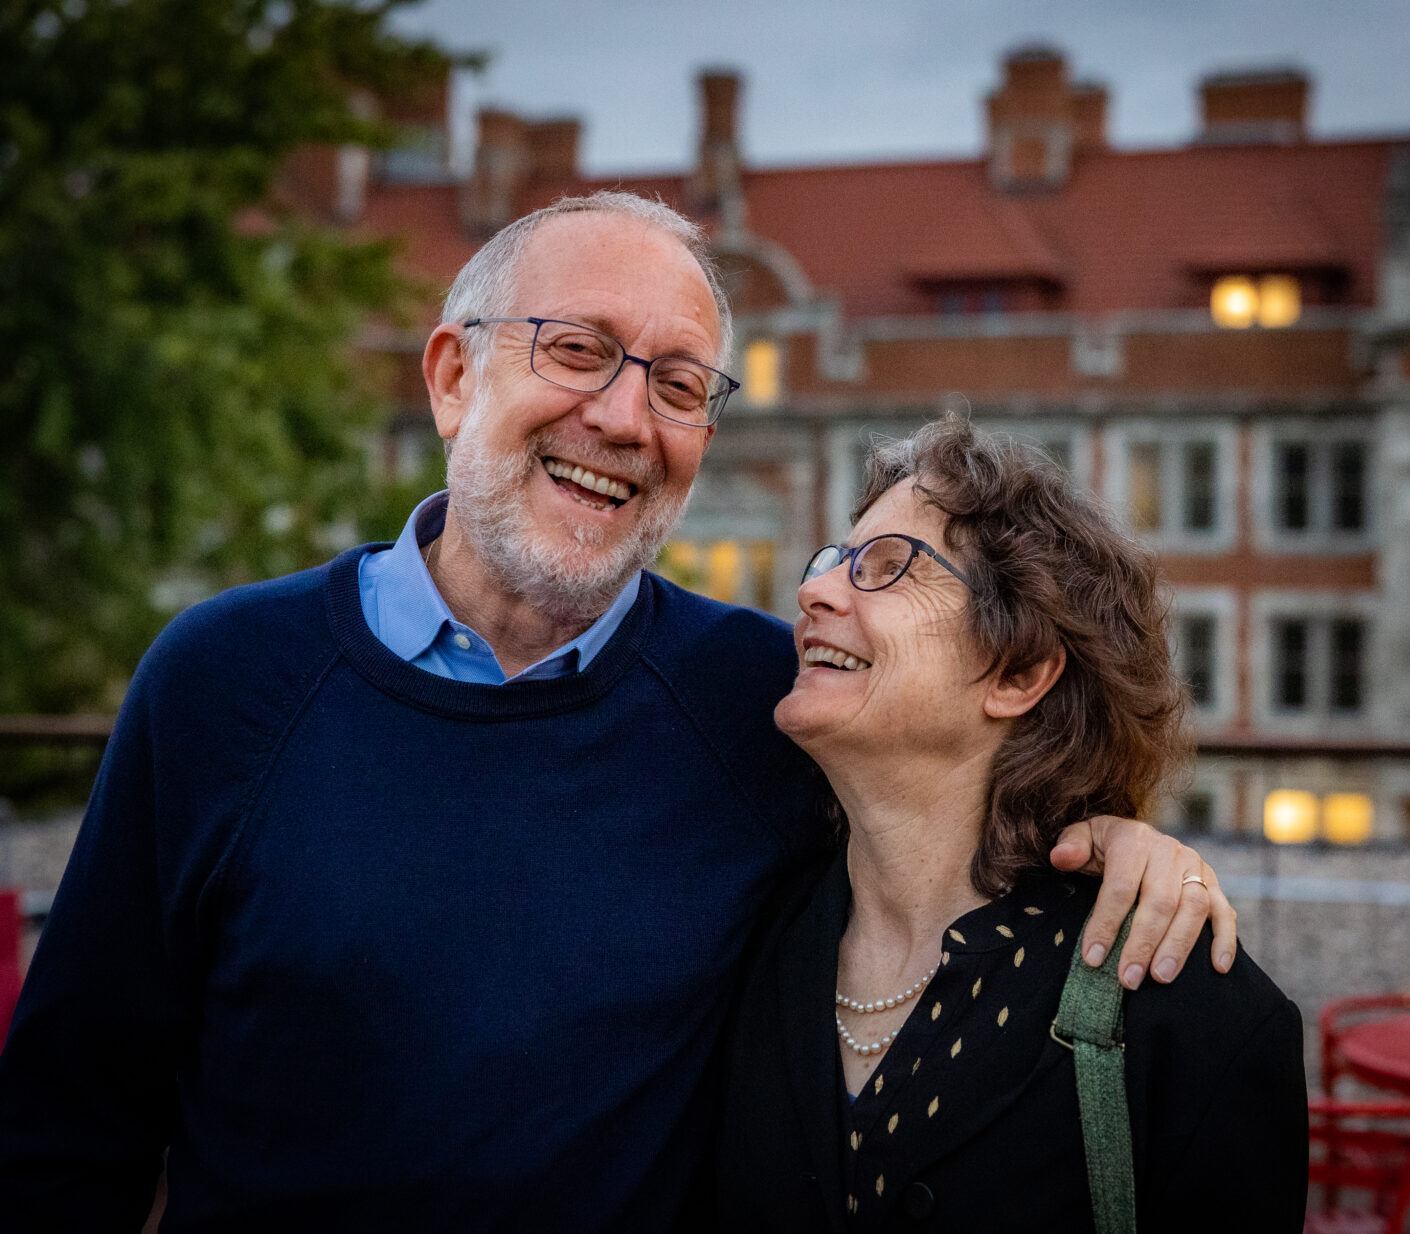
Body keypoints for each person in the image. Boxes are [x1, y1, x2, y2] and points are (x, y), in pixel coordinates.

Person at [0, 193, 1238, 1232]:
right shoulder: (223, 678)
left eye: (680, 384)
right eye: (579, 350)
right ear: (452, 377)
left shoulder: (764, 704)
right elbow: (67, 1126)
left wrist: (1120, 839)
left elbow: (954, 792)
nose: (623, 419)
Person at [715, 416, 1307, 1231]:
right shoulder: (743, 938)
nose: (813, 593)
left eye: (888, 568)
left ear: (1019, 673)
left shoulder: (1190, 1016)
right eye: (836, 561)